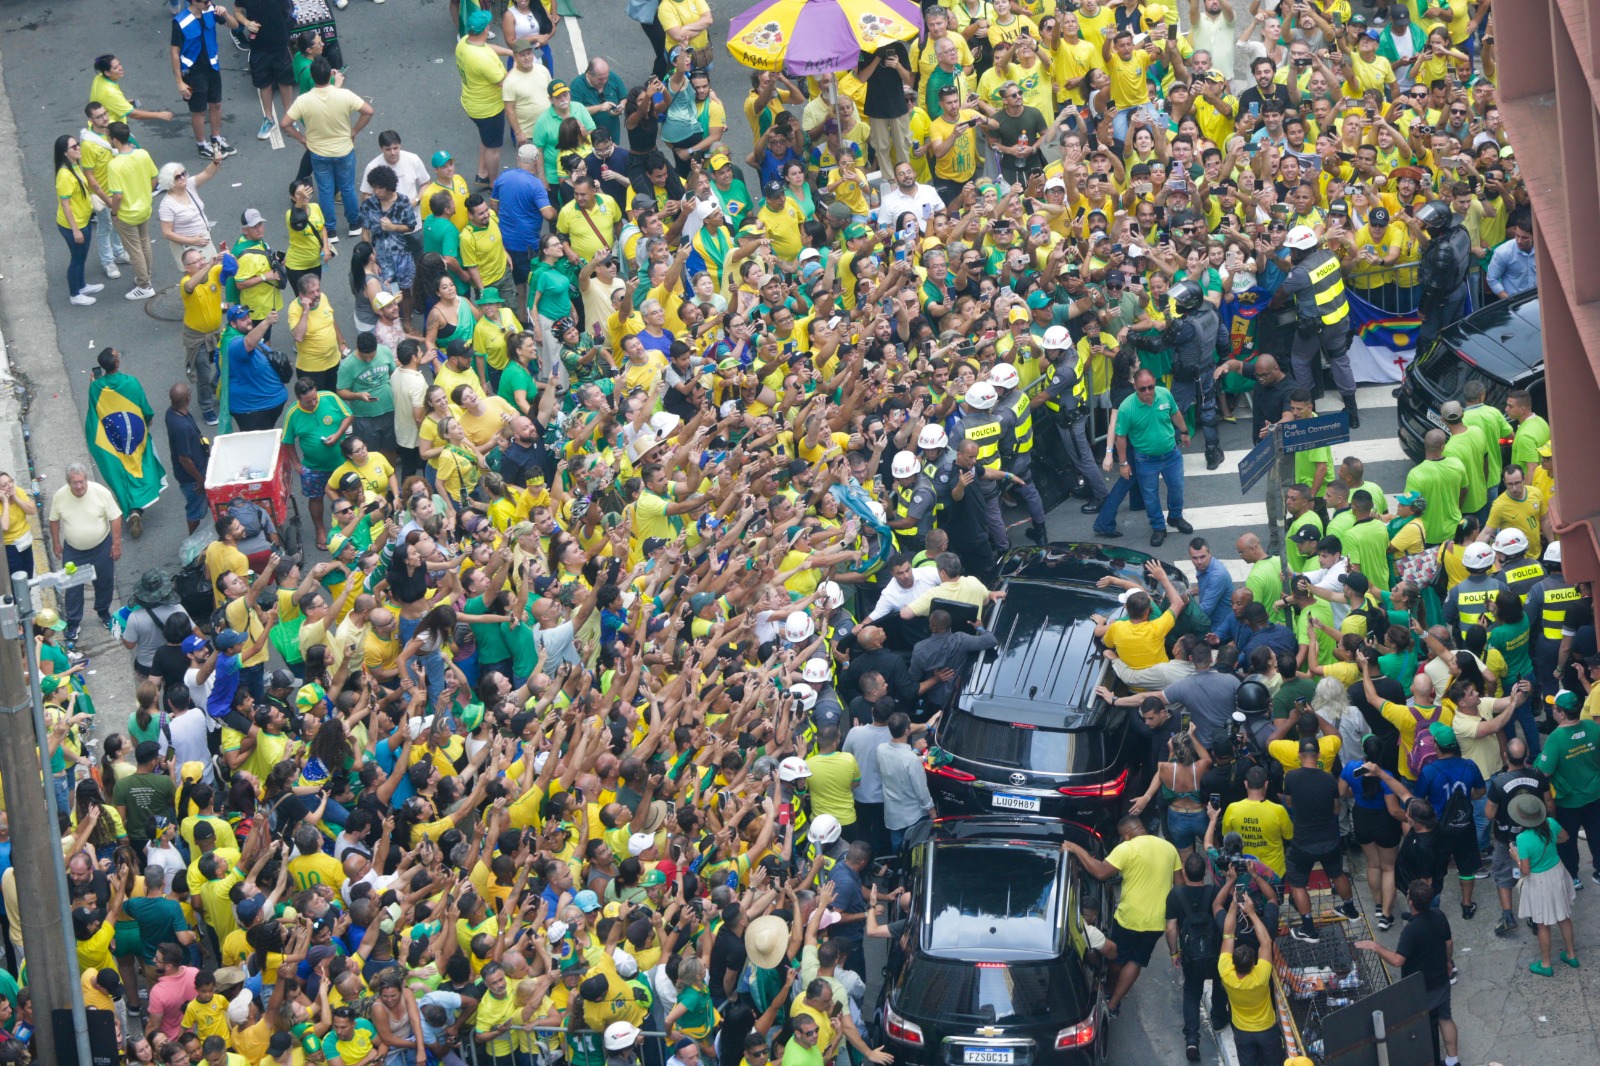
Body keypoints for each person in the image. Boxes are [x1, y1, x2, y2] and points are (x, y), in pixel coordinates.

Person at [1065, 815, 1181, 1018]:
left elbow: (1100, 872)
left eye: (1122, 837)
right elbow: (1179, 885)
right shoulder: (1168, 848)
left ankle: (1108, 993)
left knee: (1118, 959)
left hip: (1129, 918)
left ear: (1127, 834)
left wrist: (1075, 849)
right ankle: (1113, 1005)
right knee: (1137, 961)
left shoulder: (1127, 848)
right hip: (1157, 921)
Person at [1354, 882, 1459, 1066]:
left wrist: (1375, 946)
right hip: (1441, 980)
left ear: (1410, 902)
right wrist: (1448, 961)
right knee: (1445, 1017)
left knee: (1420, 1025)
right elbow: (1448, 943)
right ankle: (1453, 1061)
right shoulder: (1438, 915)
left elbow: (1397, 960)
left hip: (1419, 987)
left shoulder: (1411, 930)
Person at [1270, 225, 1358, 427]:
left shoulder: (1300, 273)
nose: (1291, 254)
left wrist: (1271, 307)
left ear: (1299, 251)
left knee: (1300, 361)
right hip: (1339, 321)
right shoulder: (1330, 256)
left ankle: (1309, 413)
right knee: (1340, 360)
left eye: (1292, 250)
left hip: (1315, 328)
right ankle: (1352, 412)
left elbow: (1280, 296)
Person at [282, 58, 374, 240]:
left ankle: (330, 230)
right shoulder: (344, 94)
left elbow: (285, 123)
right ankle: (354, 223)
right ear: (330, 76)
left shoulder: (304, 100)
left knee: (325, 190)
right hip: (344, 150)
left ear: (313, 77)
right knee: (347, 188)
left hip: (319, 153)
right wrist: (354, 130)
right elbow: (368, 111)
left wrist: (302, 139)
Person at [84, 348, 167, 539]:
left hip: (112, 436)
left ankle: (131, 510)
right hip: (135, 432)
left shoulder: (96, 388)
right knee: (140, 466)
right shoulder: (131, 383)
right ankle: (138, 507)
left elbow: (94, 411)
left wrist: (91, 386)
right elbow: (144, 408)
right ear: (117, 363)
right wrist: (147, 422)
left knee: (121, 470)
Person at [1109, 368, 1192, 547]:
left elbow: (1175, 413)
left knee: (1177, 488)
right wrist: (1123, 463)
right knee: (1150, 496)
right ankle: (1158, 527)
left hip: (1171, 454)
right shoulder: (1126, 408)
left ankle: (1175, 517)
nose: (1147, 392)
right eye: (1142, 389)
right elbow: (1120, 437)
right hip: (1146, 459)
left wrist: (1184, 431)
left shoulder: (1164, 394)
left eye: (1150, 387)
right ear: (1135, 387)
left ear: (1155, 383)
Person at [48, 464, 123, 643]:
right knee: (73, 588)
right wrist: (56, 543)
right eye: (75, 483)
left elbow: (115, 517)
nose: (79, 486)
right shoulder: (60, 496)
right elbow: (54, 519)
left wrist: (116, 544)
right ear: (68, 483)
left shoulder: (100, 492)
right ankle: (73, 622)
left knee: (104, 582)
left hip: (101, 547)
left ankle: (104, 612)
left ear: (86, 479)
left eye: (82, 482)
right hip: (74, 551)